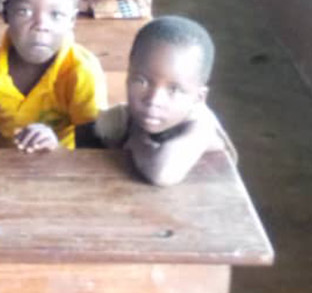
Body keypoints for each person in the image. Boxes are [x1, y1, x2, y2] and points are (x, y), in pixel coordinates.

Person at [76, 16, 238, 186]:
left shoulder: (201, 127)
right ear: (128, 75)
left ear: (199, 98)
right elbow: (89, 134)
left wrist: (137, 139)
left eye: (174, 89)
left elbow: (162, 173)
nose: (153, 100)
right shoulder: (122, 116)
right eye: (141, 81)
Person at [0, 0, 107, 150]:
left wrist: (56, 150)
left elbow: (92, 149)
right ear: (6, 13)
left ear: (72, 21)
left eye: (56, 15)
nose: (41, 26)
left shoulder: (81, 71)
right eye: (25, 12)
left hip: (61, 166)